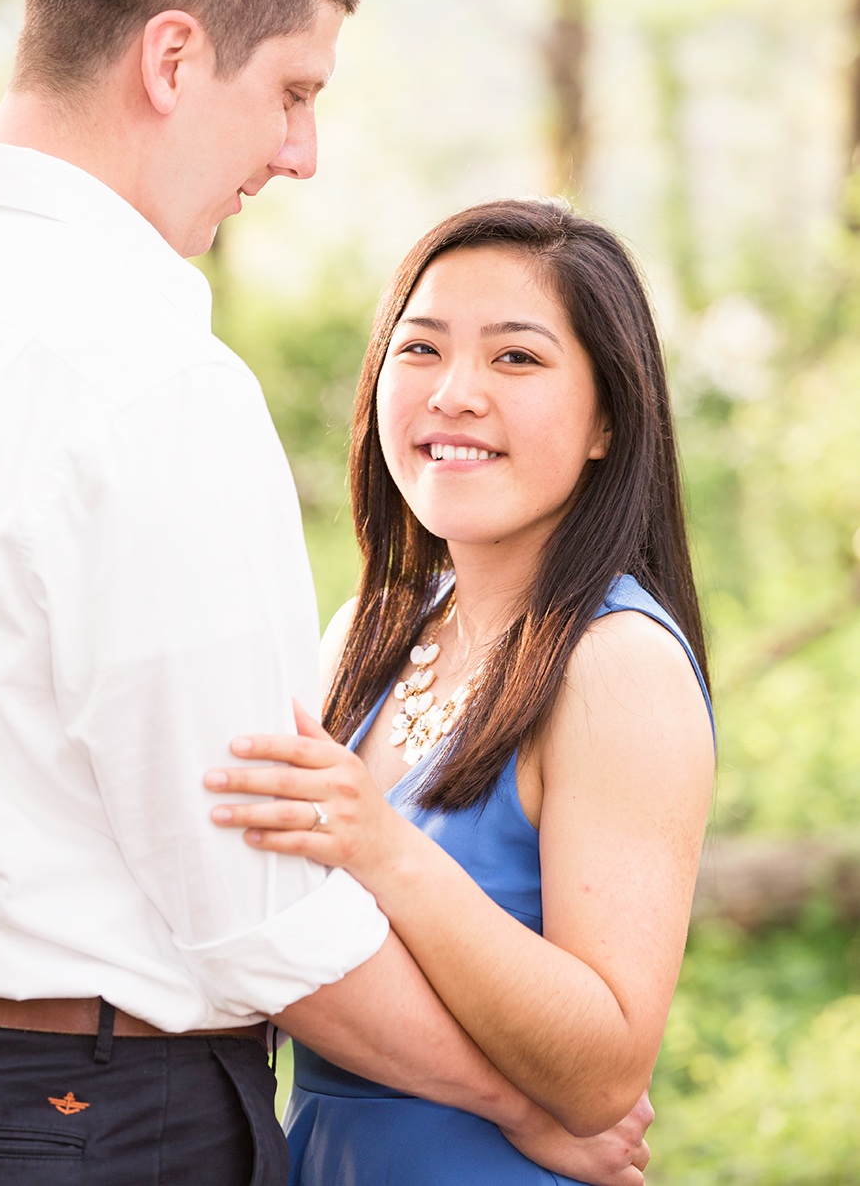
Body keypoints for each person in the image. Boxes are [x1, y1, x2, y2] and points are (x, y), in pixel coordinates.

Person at [0, 0, 649, 1182]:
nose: (301, 153)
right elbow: (249, 910)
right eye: (290, 92)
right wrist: (512, 1099)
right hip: (91, 1116)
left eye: (518, 354)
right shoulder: (153, 383)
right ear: (171, 59)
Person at [206, 199, 716, 1185]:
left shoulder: (616, 665)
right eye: (422, 350)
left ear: (610, 417)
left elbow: (608, 1066)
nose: (454, 395)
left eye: (516, 359)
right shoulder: (365, 634)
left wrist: (383, 846)